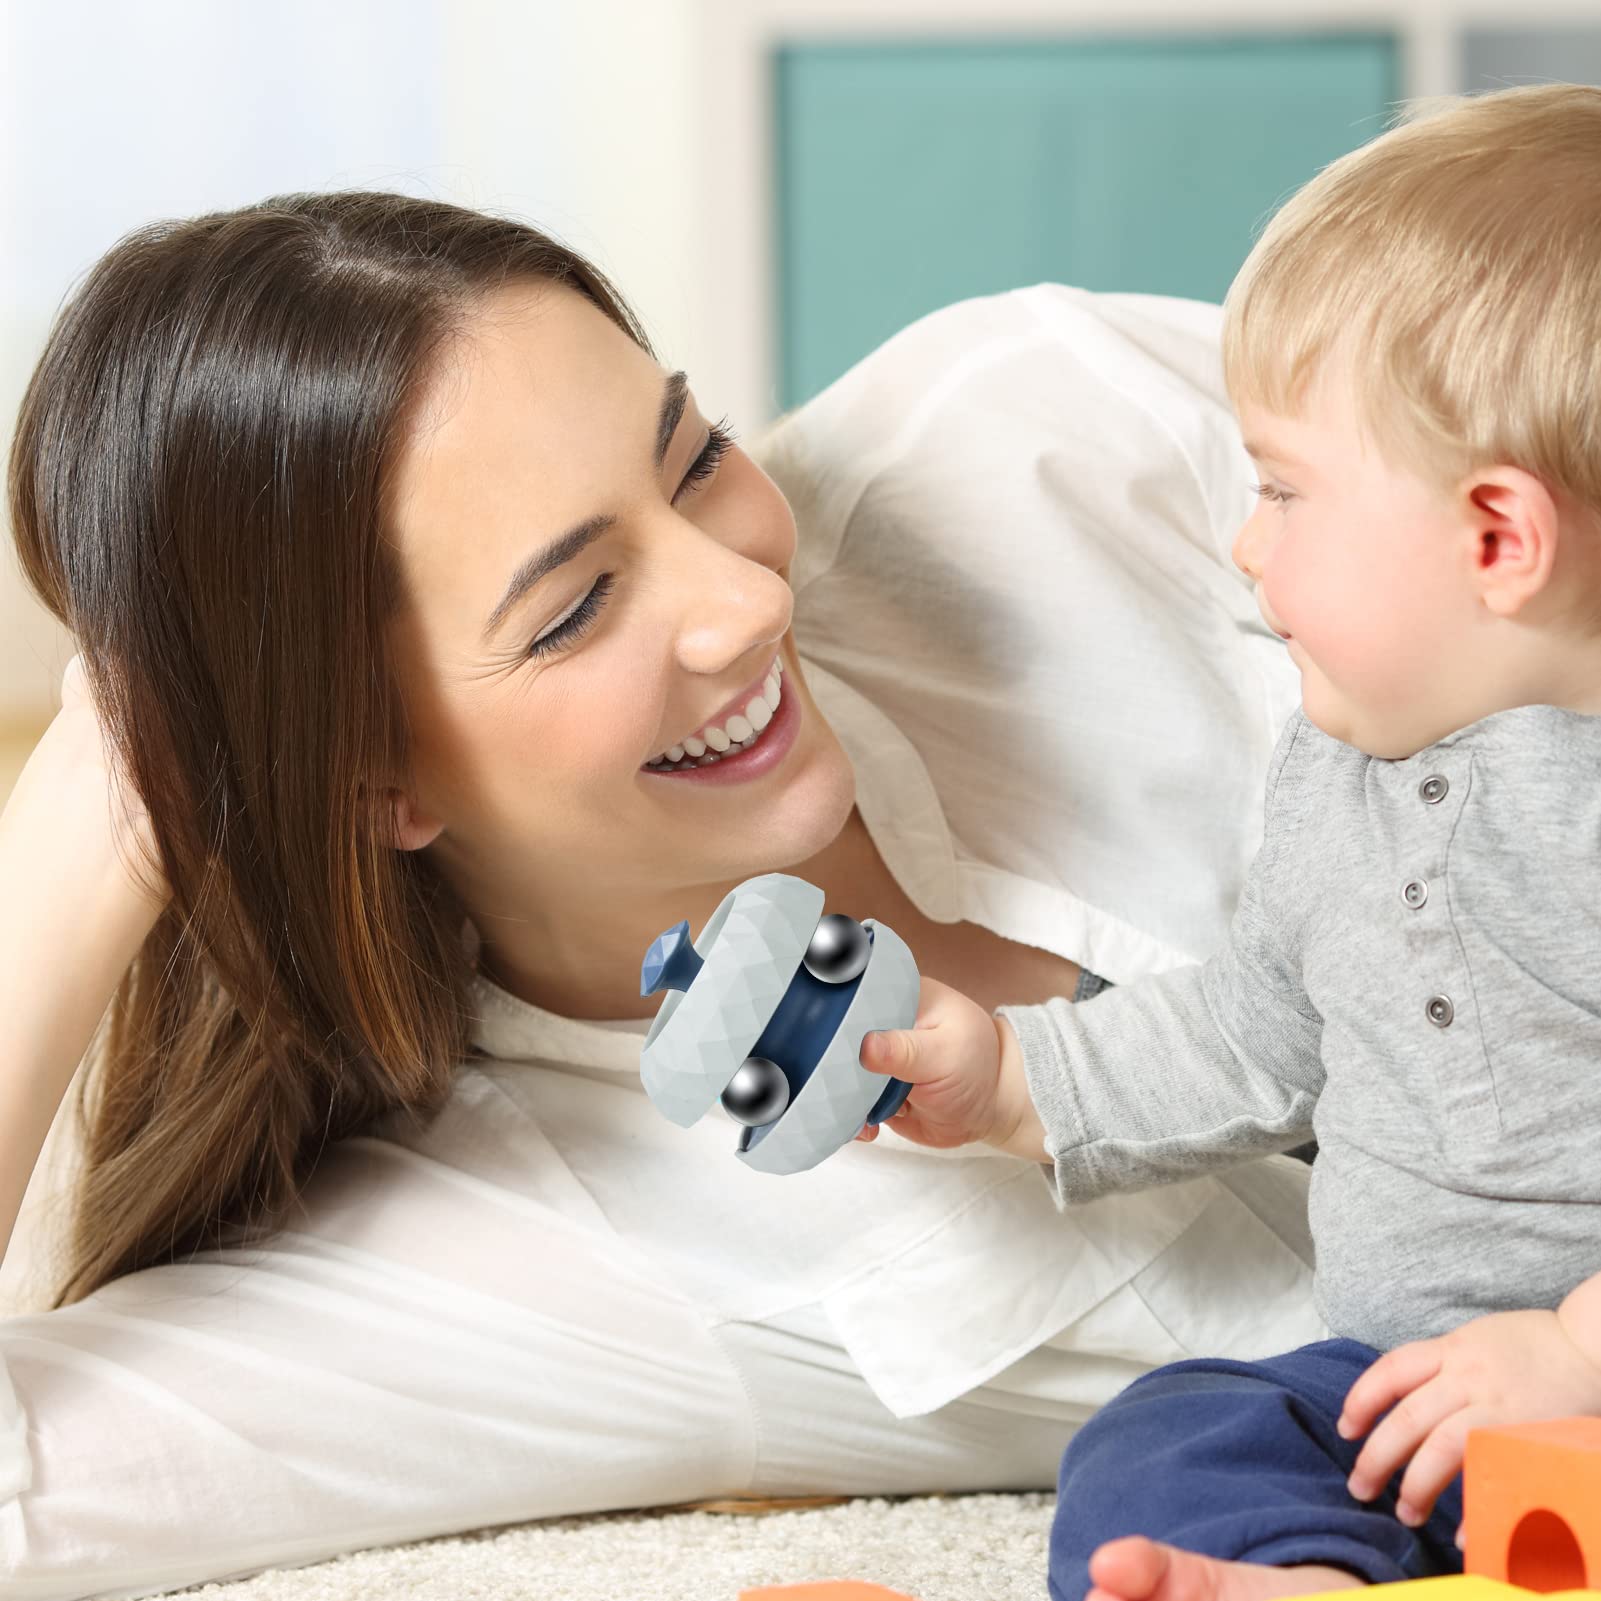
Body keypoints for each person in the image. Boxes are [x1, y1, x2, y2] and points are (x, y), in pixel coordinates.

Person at [0, 188, 1325, 1600]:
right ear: (370, 785)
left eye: (692, 460)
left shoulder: (1036, 427)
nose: (744, 602)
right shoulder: (531, 1244)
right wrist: (90, 821)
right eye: (573, 608)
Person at [852, 83, 1601, 1601]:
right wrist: (1011, 1079)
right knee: (1179, 1424)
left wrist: (1573, 1350)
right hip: (1395, 1395)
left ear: (1493, 539)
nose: (1245, 546)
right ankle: (1291, 1576)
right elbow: (1254, 1025)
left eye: (1281, 489)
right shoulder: (1335, 768)